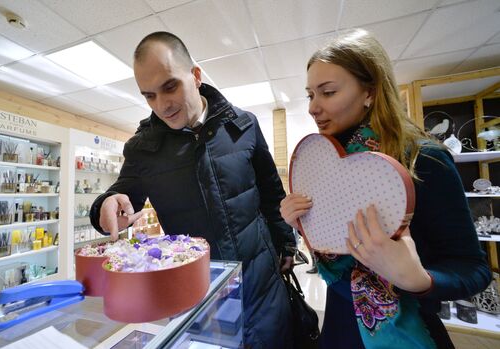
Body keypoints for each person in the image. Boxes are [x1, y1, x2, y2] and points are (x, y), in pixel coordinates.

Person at [280, 29, 492, 349]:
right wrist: (303, 223)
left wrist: (417, 278)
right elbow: (338, 262)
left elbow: (474, 270)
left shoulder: (425, 160)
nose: (313, 107)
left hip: (406, 329)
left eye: (328, 92)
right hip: (338, 327)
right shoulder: (324, 169)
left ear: (370, 92)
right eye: (311, 95)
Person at [90, 31, 295, 349]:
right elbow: (122, 194)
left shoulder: (243, 125)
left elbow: (271, 192)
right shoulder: (144, 148)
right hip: (199, 302)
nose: (162, 105)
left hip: (264, 286)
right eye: (149, 96)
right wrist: (107, 202)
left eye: (170, 86)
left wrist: (285, 244)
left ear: (196, 76)